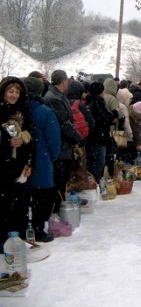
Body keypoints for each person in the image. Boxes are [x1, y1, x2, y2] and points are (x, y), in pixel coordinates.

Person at [24, 77, 61, 242]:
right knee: (42, 198)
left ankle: (23, 229)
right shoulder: (44, 111)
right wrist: (53, 156)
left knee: (23, 200)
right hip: (42, 159)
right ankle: (38, 230)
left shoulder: (20, 110)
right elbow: (53, 139)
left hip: (21, 163)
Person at [0, 76, 34, 249]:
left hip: (20, 167)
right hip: (3, 168)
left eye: (17, 92)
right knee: (4, 206)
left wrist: (29, 164)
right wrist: (6, 144)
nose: (13, 95)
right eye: (10, 91)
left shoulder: (23, 113)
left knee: (19, 205)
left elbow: (32, 140)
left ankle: (16, 239)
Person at [44, 70, 82, 212]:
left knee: (62, 178)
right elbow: (64, 122)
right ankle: (57, 209)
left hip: (64, 144)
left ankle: (59, 206)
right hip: (60, 145)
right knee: (58, 180)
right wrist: (76, 136)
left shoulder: (59, 96)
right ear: (63, 81)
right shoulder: (54, 98)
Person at [86, 82, 118, 184]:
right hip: (99, 137)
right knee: (99, 162)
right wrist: (114, 114)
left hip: (92, 137)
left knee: (93, 162)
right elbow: (104, 118)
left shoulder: (89, 101)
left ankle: (94, 181)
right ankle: (97, 183)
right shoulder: (97, 102)